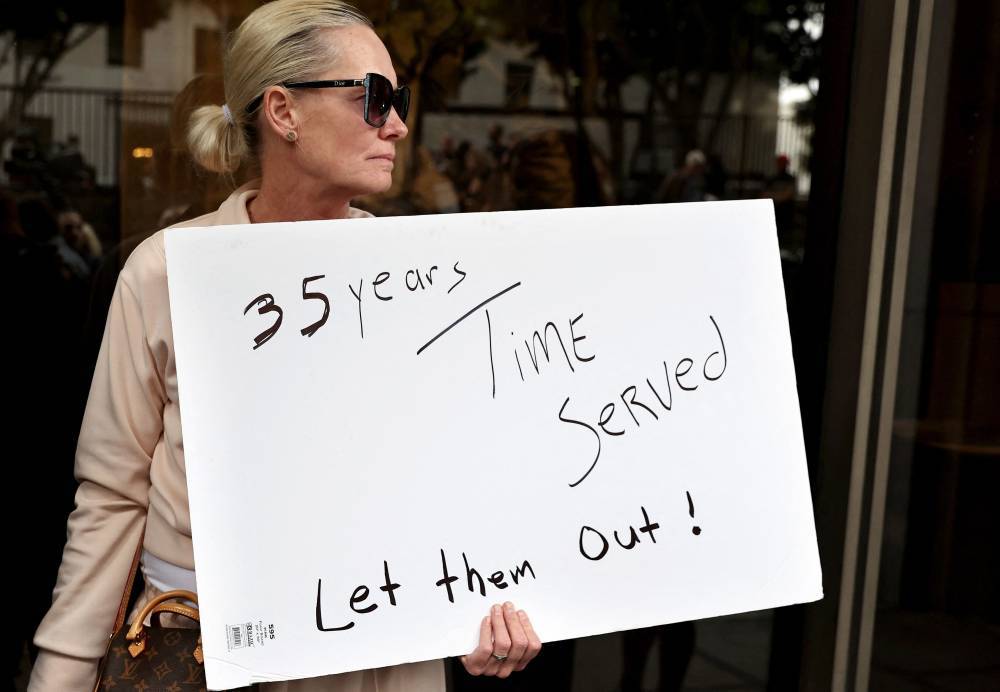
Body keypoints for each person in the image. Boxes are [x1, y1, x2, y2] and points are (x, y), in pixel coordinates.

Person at [28, 3, 542, 690]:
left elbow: (459, 478)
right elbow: (112, 493)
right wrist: (60, 671)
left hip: (379, 658)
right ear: (283, 111)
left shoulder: (430, 282)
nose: (398, 124)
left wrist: (482, 614)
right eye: (374, 98)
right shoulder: (165, 271)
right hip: (194, 651)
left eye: (400, 101)